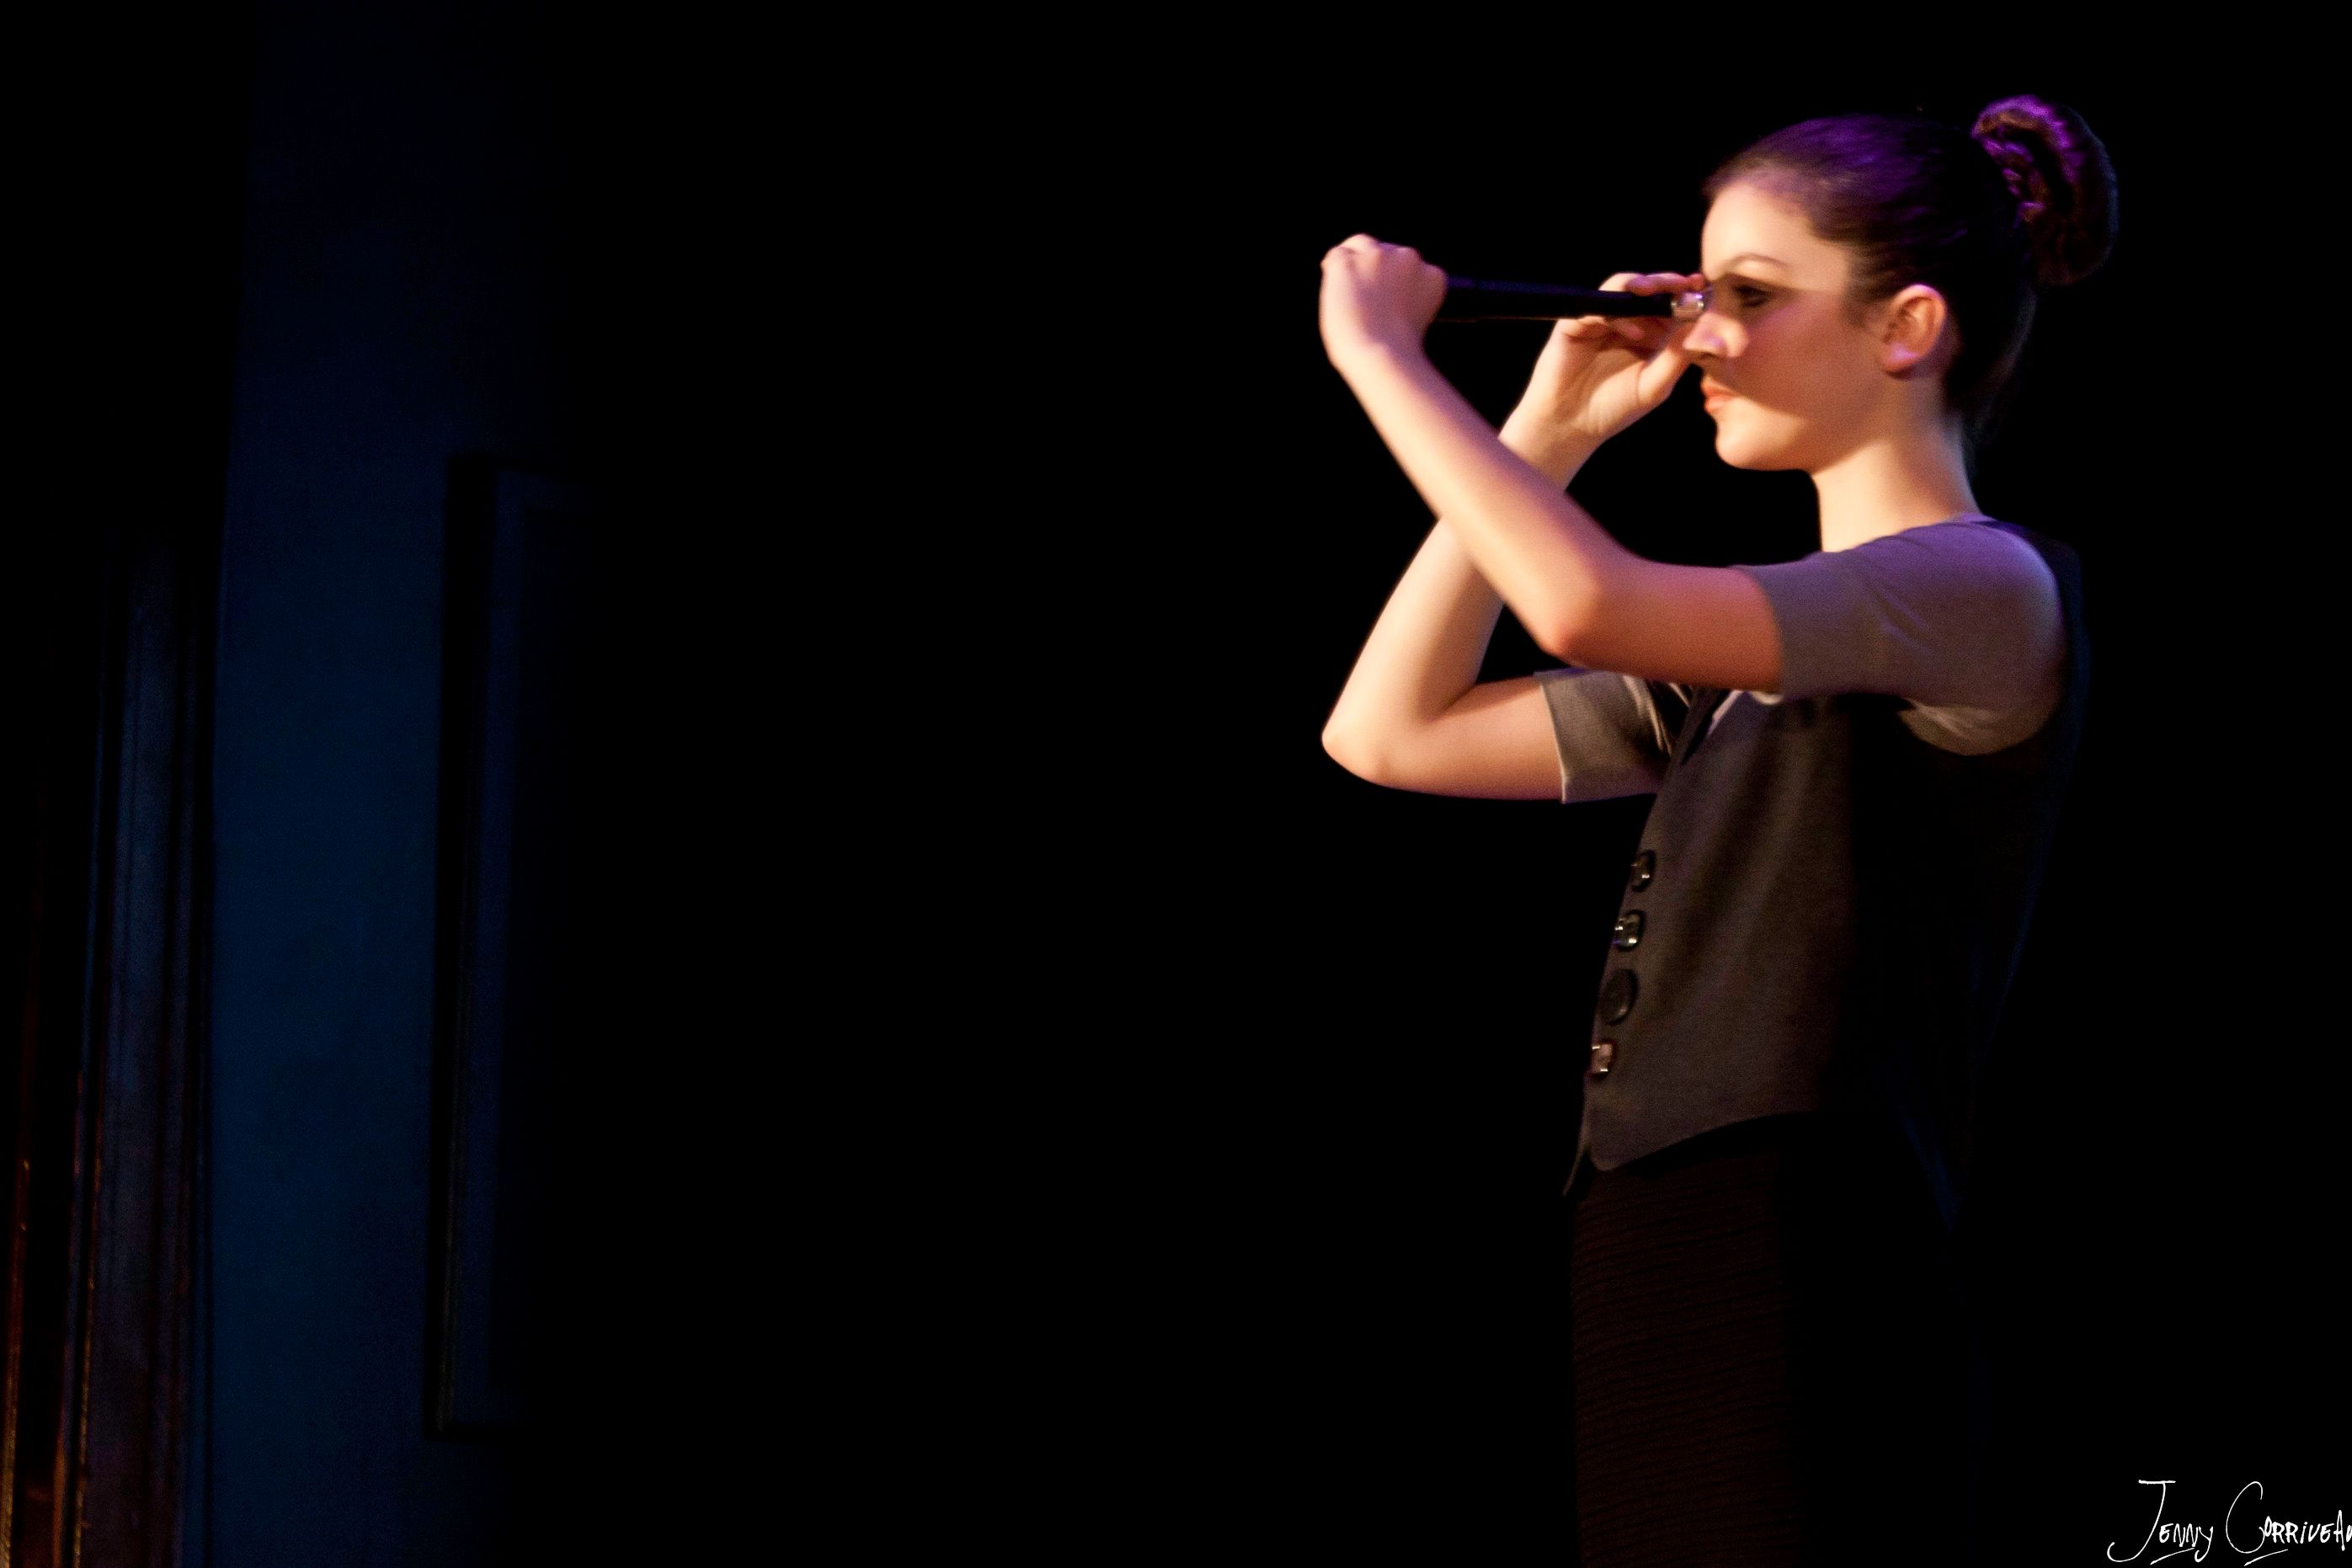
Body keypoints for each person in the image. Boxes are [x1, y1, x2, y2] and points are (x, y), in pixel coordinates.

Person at [1314, 96, 2119, 1567]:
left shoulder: (1984, 589)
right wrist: (1546, 432)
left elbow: (1583, 602)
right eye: (1699, 296)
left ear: (1905, 326)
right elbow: (1388, 731)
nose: (1701, 341)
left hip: (1807, 1241)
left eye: (1747, 295)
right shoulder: (1739, 671)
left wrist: (1384, 359)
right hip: (1667, 1234)